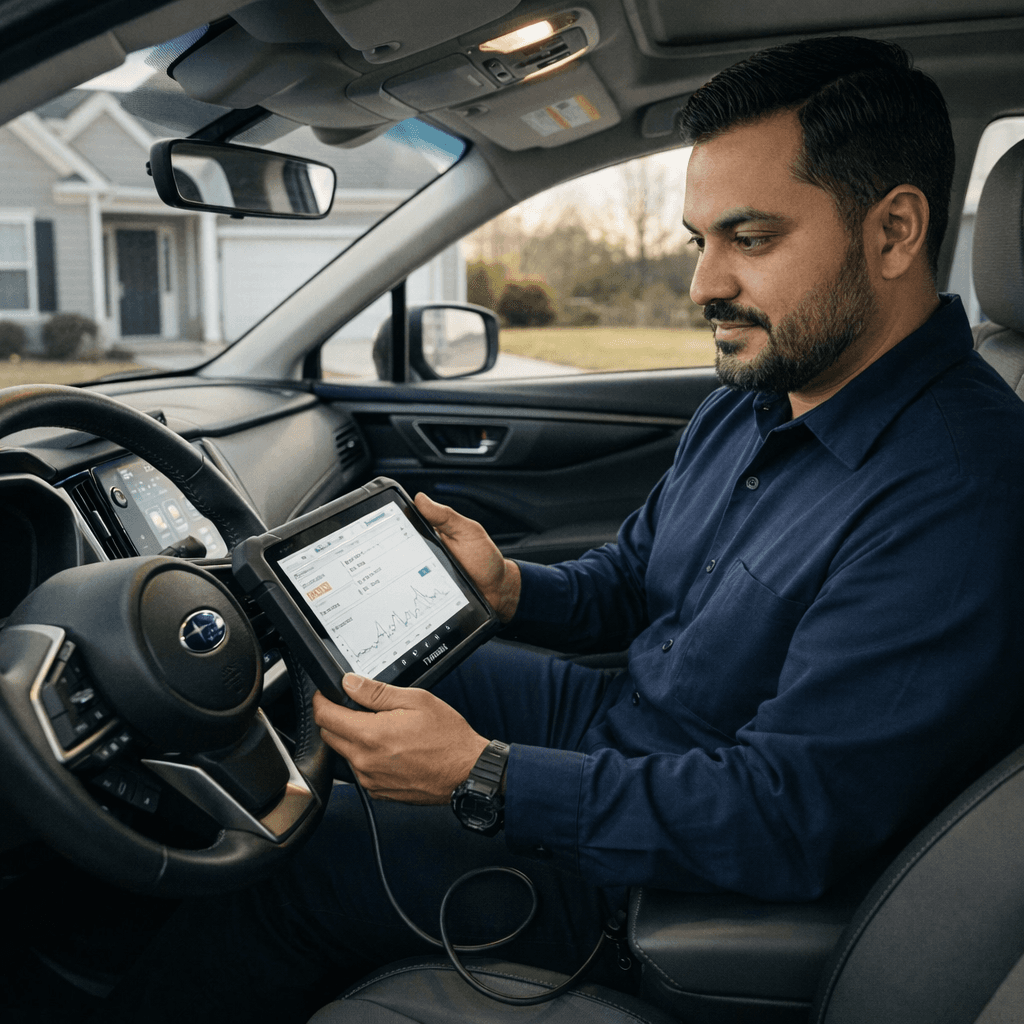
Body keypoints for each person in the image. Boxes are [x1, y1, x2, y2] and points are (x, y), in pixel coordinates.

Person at [96, 35, 1024, 1024]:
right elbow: (635, 579)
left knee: (305, 854)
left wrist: (482, 777)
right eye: (696, 240)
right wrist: (509, 589)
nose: (703, 285)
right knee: (344, 658)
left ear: (892, 234)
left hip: (658, 880)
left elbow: (785, 816)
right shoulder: (765, 388)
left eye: (749, 239)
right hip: (615, 726)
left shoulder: (961, 488)